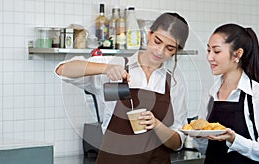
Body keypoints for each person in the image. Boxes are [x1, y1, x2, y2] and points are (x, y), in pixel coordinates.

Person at [55, 12, 189, 163]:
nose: (160, 51)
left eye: (169, 48)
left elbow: (178, 142)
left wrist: (157, 125)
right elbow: (63, 70)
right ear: (149, 34)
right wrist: (105, 68)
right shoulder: (116, 63)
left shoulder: (175, 82)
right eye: (157, 41)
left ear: (177, 50)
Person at [194, 23, 259, 163]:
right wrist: (198, 137)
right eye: (208, 50)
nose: (209, 57)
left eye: (216, 51)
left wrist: (234, 139)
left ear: (237, 54)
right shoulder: (210, 94)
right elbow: (205, 149)